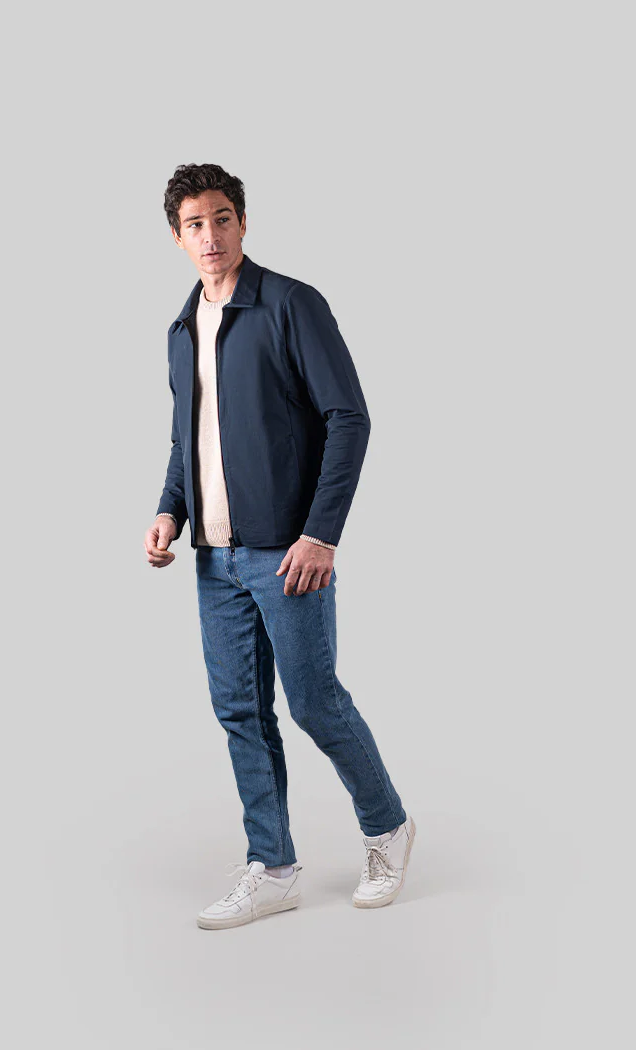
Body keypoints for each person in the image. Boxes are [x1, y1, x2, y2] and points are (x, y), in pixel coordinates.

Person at [143, 163, 414, 931]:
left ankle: (388, 829)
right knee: (240, 711)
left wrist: (321, 533)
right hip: (215, 557)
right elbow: (187, 438)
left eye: (222, 219)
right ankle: (273, 867)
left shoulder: (291, 305)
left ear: (243, 222)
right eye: (195, 225)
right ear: (177, 238)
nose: (210, 236)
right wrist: (169, 510)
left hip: (289, 551)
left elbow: (348, 417)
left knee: (314, 702)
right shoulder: (181, 330)